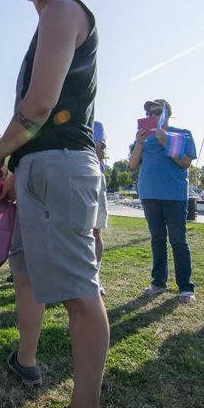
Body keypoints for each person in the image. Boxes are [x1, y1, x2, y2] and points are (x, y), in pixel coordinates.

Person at [0, 0, 109, 408]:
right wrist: (17, 167)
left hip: (60, 166)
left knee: (79, 292)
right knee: (27, 275)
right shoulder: (49, 19)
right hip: (42, 166)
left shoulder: (62, 9)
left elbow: (38, 106)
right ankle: (27, 361)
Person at [129, 99, 197, 304]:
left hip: (174, 196)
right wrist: (139, 143)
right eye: (149, 113)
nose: (153, 116)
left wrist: (165, 140)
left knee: (178, 241)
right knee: (157, 239)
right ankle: (158, 282)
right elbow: (133, 165)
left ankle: (185, 287)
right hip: (149, 194)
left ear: (168, 113)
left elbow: (185, 163)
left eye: (157, 112)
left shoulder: (182, 134)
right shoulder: (143, 140)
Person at [93, 121, 109, 295]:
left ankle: (94, 277)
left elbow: (97, 148)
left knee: (95, 232)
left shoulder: (96, 125)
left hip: (93, 179)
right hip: (66, 178)